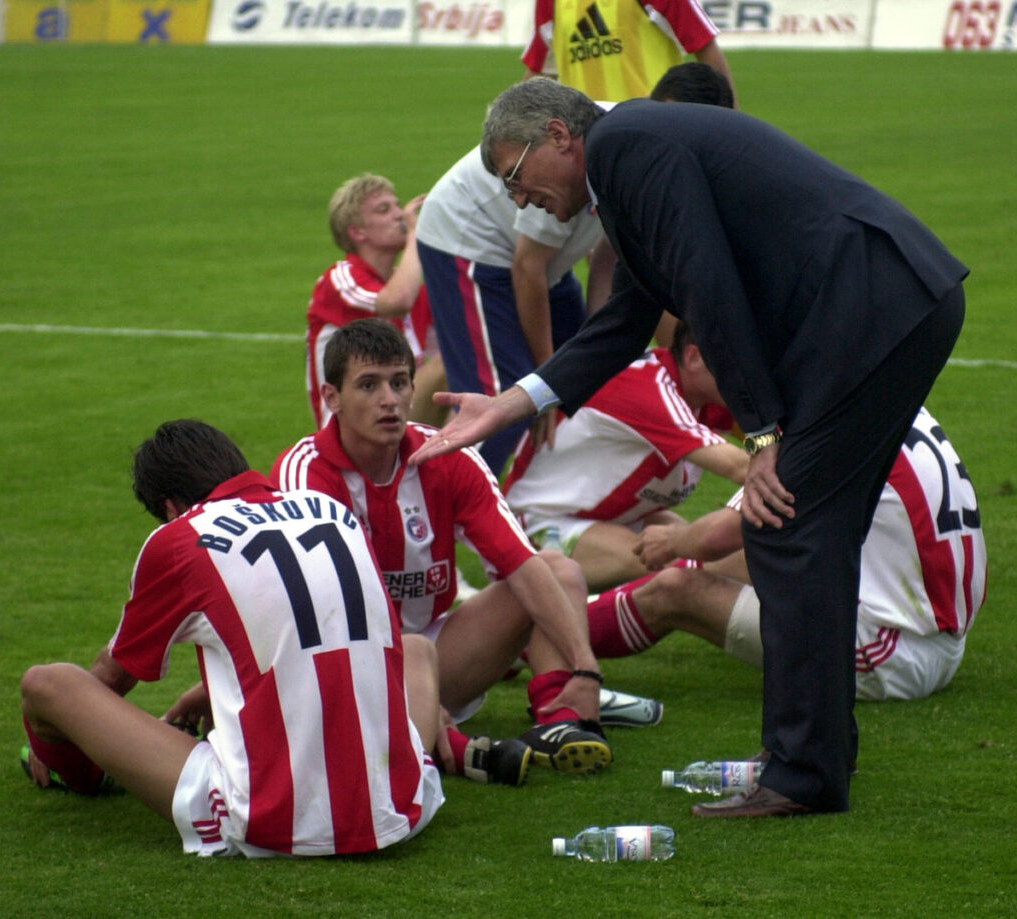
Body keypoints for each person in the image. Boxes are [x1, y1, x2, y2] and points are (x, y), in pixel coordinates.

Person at [410, 79, 968, 818]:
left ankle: (804, 769)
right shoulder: (624, 159)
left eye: (515, 178)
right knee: (804, 532)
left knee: (789, 528)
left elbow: (707, 283)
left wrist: (764, 432)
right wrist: (514, 401)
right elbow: (626, 321)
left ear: (557, 135)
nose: (520, 202)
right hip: (884, 307)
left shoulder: (626, 147)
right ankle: (809, 759)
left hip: (872, 312)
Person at [19, 420, 444, 856]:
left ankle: (78, 773)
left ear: (170, 507)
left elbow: (110, 678)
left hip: (270, 821)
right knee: (417, 649)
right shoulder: (331, 509)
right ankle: (435, 756)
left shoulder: (180, 538)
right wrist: (208, 691)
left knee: (46, 686)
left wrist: (61, 737)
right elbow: (337, 635)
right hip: (403, 807)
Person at [272, 318, 612, 781]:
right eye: (368, 385)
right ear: (332, 399)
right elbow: (331, 609)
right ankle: (437, 738)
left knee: (558, 569)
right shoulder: (306, 473)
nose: (388, 400)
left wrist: (586, 668)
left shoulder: (447, 454)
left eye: (398, 382)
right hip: (346, 664)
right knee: (408, 647)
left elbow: (520, 564)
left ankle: (561, 717)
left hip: (432, 653)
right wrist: (415, 690)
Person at [589, 406, 986, 703]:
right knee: (746, 559)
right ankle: (564, 618)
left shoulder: (823, 421)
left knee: (677, 588)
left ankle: (550, 639)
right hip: (940, 638)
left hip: (891, 651)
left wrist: (673, 542)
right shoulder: (894, 400)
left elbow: (721, 535)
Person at [503, 322, 747, 593]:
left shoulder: (704, 391)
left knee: (721, 551)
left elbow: (772, 439)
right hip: (533, 524)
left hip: (614, 518)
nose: (750, 376)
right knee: (676, 568)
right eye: (741, 364)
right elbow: (741, 467)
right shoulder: (651, 389)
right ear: (694, 358)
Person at [415, 144, 608, 475]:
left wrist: (602, 339)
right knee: (500, 401)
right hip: (472, 242)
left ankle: (541, 506)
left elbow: (609, 254)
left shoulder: (638, 160)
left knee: (590, 376)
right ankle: (437, 509)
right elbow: (527, 267)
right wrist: (545, 383)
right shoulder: (565, 168)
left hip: (544, 257)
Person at [306, 173, 446, 429]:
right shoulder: (340, 278)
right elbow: (397, 300)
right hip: (345, 426)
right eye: (384, 209)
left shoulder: (414, 288)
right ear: (357, 231)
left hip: (397, 412)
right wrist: (417, 233)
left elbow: (452, 353)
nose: (400, 215)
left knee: (464, 367)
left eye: (397, 205)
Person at [522, 0, 736, 103]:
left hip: (652, 129)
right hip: (584, 140)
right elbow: (539, 70)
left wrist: (731, 124)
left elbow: (704, 45)